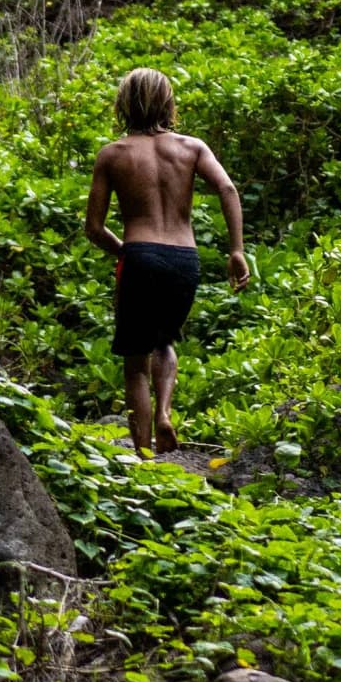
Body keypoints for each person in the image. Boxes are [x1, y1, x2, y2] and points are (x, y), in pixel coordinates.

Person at [84, 67, 250, 455]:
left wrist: (125, 251)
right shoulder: (191, 148)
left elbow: (93, 228)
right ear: (167, 102)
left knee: (134, 363)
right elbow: (226, 187)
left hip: (139, 255)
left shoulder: (113, 154)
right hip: (184, 259)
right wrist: (236, 250)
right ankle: (163, 413)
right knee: (164, 342)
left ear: (124, 104)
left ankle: (143, 455)